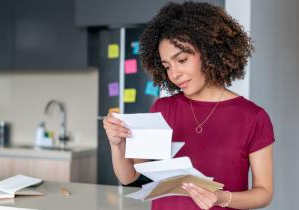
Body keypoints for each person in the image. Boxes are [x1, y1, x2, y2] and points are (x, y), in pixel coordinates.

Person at [103, 2, 274, 210]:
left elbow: (264, 193)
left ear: (209, 51)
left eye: (182, 60)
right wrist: (117, 145)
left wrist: (220, 198)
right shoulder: (161, 108)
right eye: (167, 66)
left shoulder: (253, 117)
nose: (174, 74)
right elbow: (131, 176)